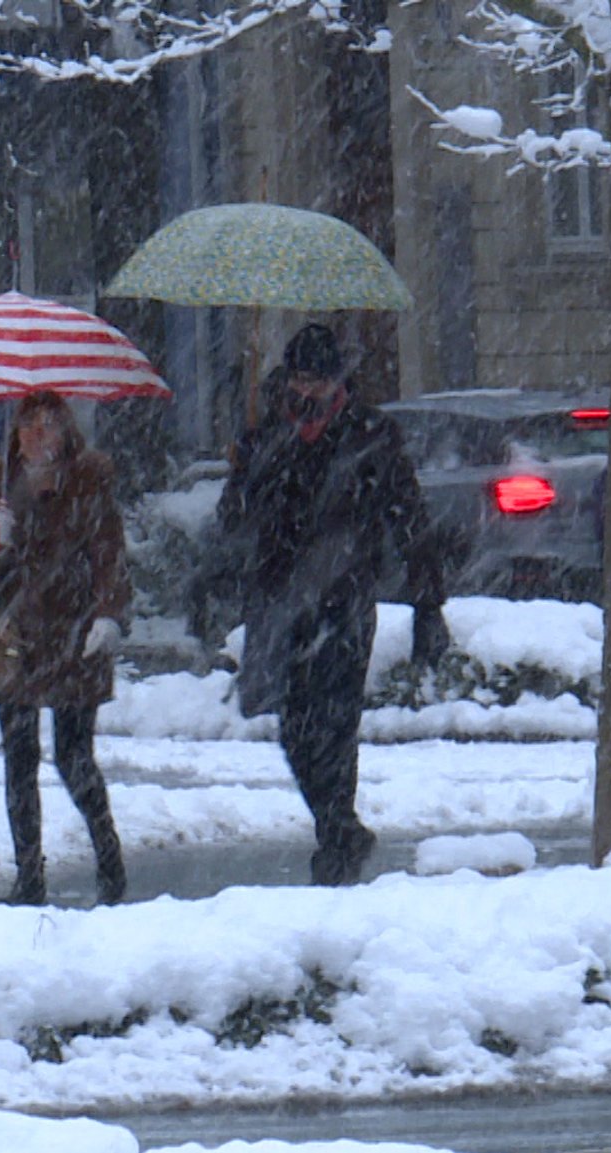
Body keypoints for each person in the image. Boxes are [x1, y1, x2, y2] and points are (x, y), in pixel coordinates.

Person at [217, 323, 450, 886]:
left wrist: (427, 602)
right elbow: (233, 519)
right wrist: (252, 472)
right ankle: (338, 823)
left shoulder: (371, 434)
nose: (308, 391)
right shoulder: (266, 435)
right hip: (279, 601)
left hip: (345, 599)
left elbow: (409, 516)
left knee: (337, 721)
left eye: (318, 380)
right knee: (292, 727)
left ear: (337, 381)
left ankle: (335, 834)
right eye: (299, 378)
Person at [0, 390, 131, 906]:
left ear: (66, 432)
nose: (38, 435)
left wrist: (108, 614)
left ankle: (109, 859)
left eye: (49, 424)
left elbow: (111, 555)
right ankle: (28, 876)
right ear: (15, 434)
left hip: (75, 637)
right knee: (19, 760)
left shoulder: (89, 484)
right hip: (18, 642)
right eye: (28, 425)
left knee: (74, 759)